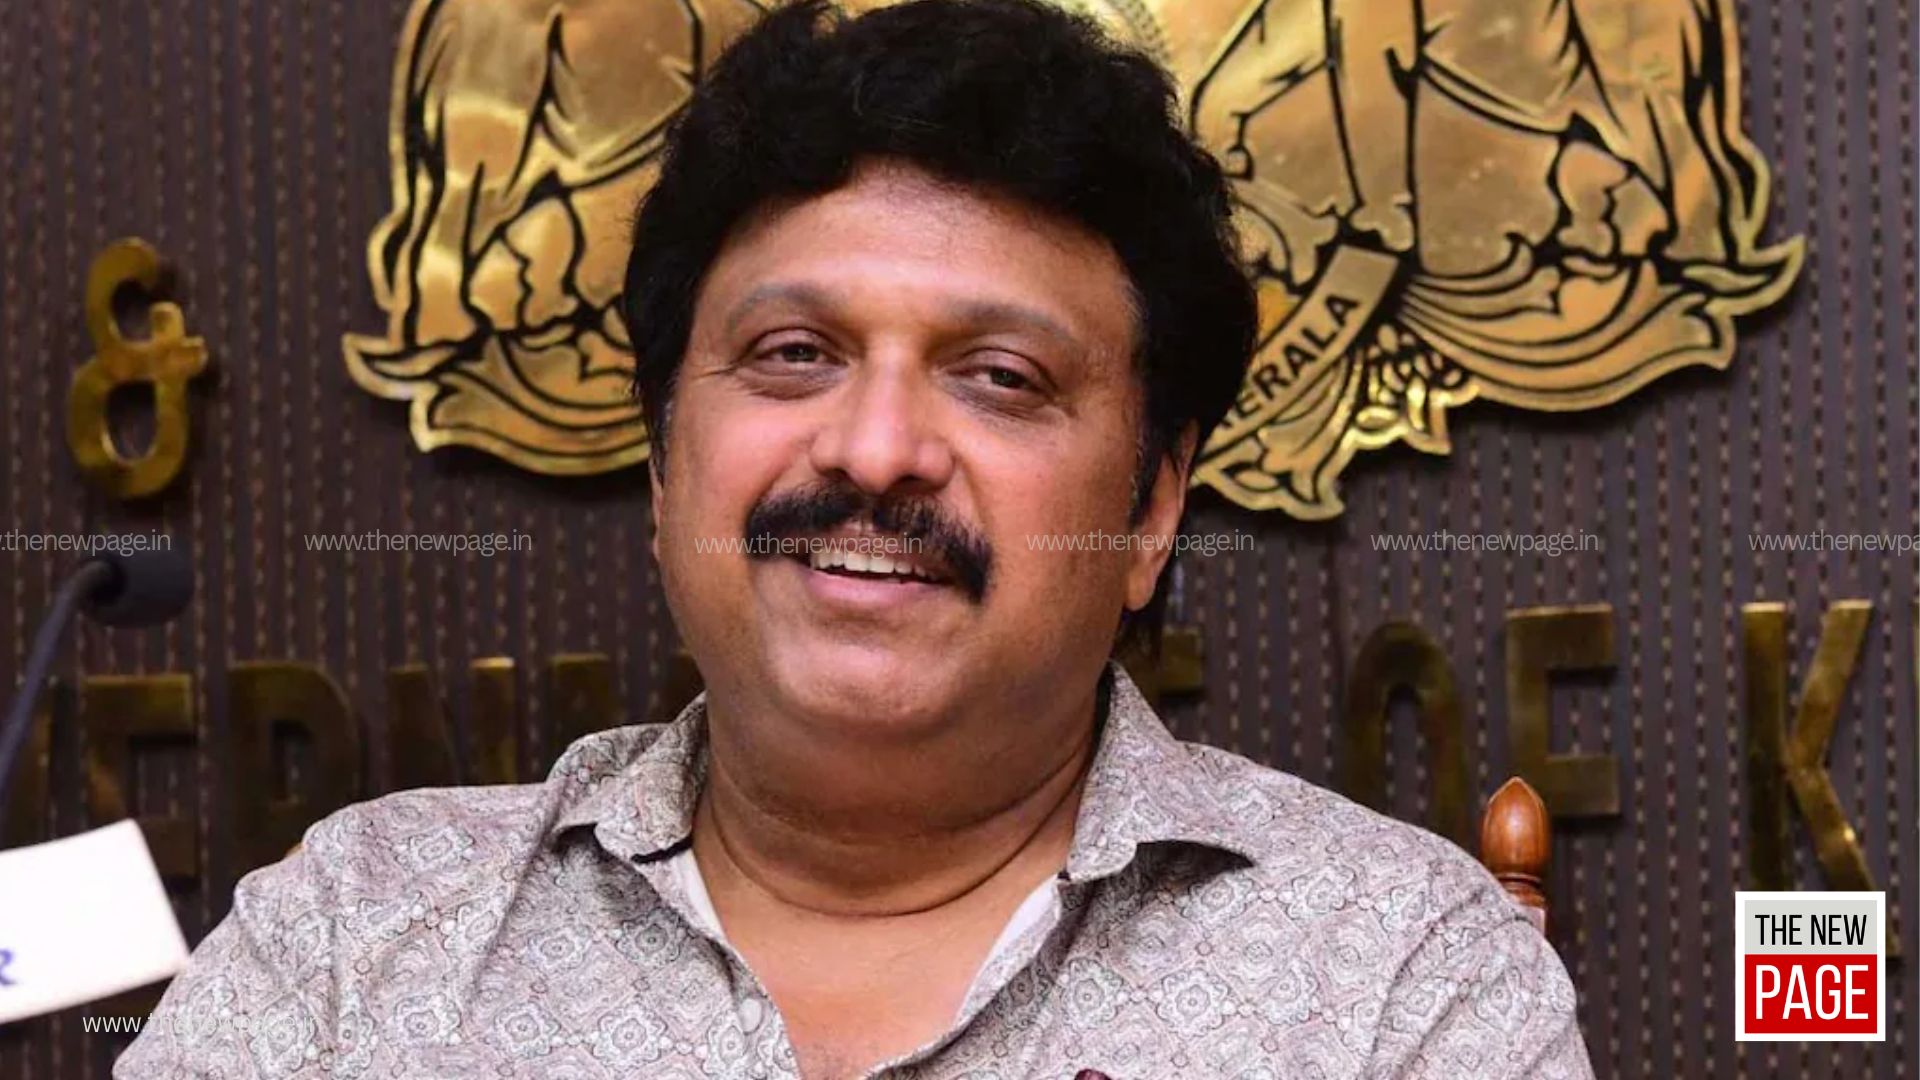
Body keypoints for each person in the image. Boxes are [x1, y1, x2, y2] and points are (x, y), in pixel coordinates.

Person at [118, 1, 1595, 1076]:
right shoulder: (354, 943)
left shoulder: (1397, 977)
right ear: (661, 463)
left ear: (1151, 510)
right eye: (793, 355)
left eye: (1000, 378)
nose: (877, 449)